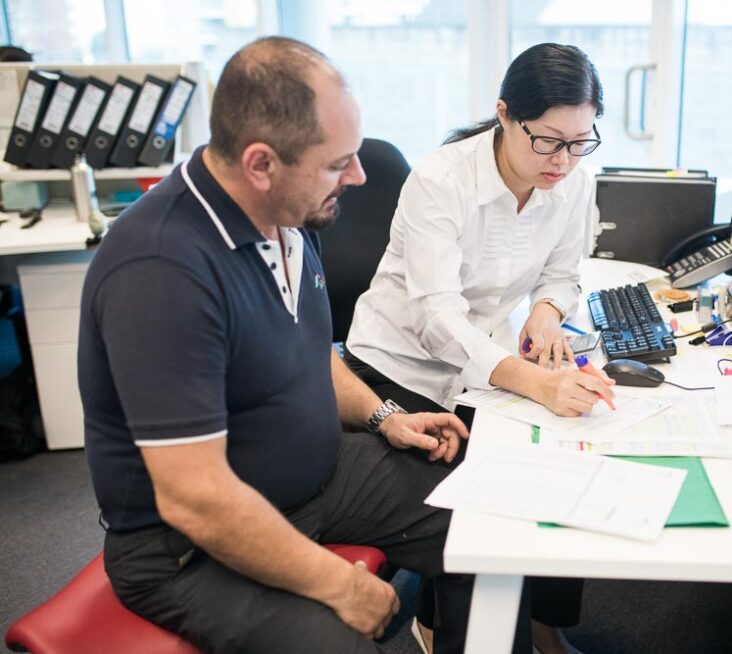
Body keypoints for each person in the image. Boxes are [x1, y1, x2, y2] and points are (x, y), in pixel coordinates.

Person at [78, 36, 479, 654]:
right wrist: (340, 588)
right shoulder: (162, 270)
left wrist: (383, 417)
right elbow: (197, 500)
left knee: (482, 517)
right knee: (332, 643)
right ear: (261, 164)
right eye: (337, 162)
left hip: (316, 479)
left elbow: (308, 350)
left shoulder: (288, 215)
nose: (359, 176)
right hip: (188, 547)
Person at [345, 43, 612, 654]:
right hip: (394, 368)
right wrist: (535, 380)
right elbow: (437, 318)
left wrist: (546, 315)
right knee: (481, 501)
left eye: (580, 141)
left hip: (479, 369)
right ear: (504, 114)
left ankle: (539, 619)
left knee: (559, 456)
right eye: (547, 140)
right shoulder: (441, 179)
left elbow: (563, 274)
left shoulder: (574, 182)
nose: (563, 160)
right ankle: (448, 629)